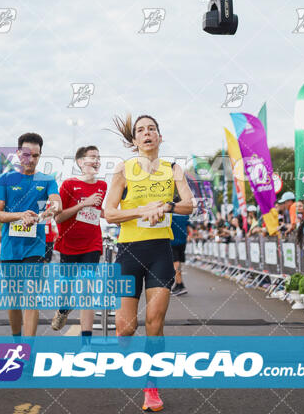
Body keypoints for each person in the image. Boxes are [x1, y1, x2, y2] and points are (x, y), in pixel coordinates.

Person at [105, 114, 194, 412]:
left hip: (160, 253)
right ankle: (120, 332)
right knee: (128, 328)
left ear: (159, 136)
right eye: (141, 130)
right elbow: (109, 213)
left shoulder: (172, 169)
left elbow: (189, 205)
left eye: (152, 129)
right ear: (134, 141)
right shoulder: (124, 169)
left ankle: (151, 388)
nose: (147, 134)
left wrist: (166, 206)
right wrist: (143, 209)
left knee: (155, 323)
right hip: (128, 251)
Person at [0, 132, 61, 337]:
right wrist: (20, 215)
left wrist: (41, 215)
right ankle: (16, 340)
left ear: (40, 156)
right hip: (10, 249)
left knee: (31, 297)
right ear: (17, 153)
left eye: (35, 156)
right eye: (26, 155)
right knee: (14, 300)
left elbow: (57, 204)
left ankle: (27, 351)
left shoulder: (47, 180)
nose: (30, 160)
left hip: (35, 247)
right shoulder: (5, 179)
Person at [51, 146, 107, 343]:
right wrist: (84, 203)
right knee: (67, 289)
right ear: (80, 162)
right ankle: (63, 309)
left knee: (86, 290)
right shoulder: (68, 185)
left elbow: (100, 212)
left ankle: (86, 343)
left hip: (92, 243)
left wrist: (126, 215)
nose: (96, 160)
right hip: (68, 243)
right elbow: (58, 218)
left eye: (98, 157)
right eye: (92, 157)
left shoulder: (102, 185)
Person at [170, 212, 192, 296]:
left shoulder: (170, 213)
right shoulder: (184, 214)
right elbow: (189, 228)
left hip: (173, 241)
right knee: (177, 263)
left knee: (176, 263)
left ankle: (180, 285)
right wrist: (189, 236)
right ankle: (178, 284)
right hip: (183, 241)